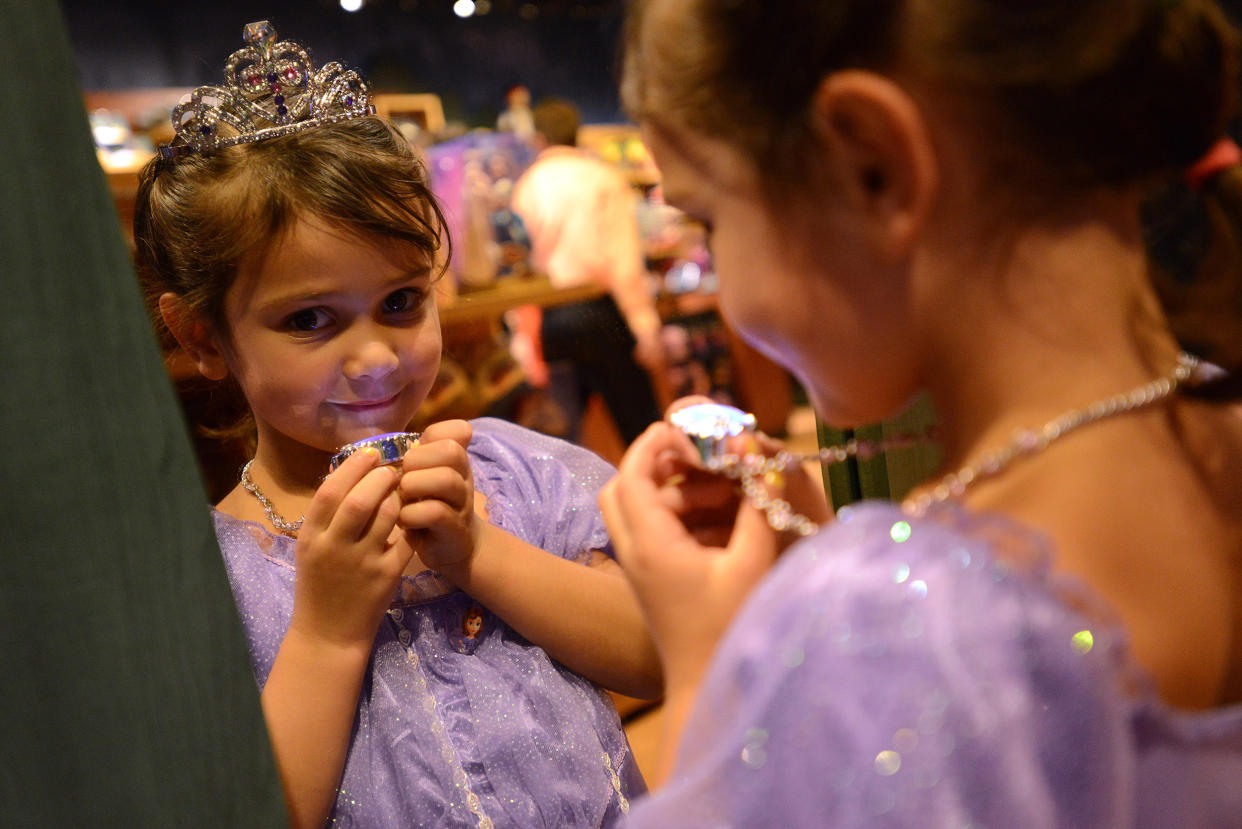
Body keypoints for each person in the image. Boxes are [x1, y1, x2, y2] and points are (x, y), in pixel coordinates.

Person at [600, 0, 1242, 825]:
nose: (722, 285)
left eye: (711, 220)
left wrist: (708, 668)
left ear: (873, 165)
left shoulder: (890, 627)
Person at [133, 21, 657, 829]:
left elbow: (658, 654)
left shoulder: (515, 472)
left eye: (402, 301)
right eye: (310, 318)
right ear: (205, 336)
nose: (376, 357)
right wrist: (325, 634)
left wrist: (483, 552)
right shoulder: (204, 582)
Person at [510, 97, 665, 445]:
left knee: (564, 443)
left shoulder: (526, 186)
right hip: (601, 312)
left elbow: (521, 268)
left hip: (554, 319)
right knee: (643, 430)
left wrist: (524, 340)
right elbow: (623, 259)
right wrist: (644, 325)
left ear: (538, 138)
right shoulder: (601, 177)